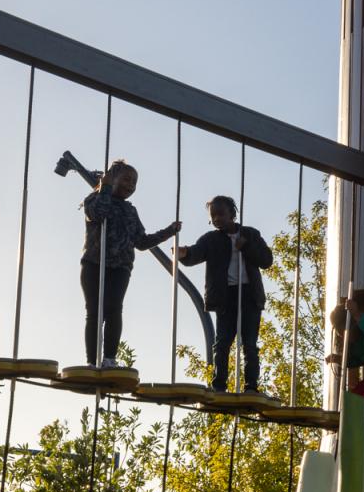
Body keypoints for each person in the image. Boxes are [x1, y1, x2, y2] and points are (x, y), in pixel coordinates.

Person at [78, 161, 181, 368]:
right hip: (94, 264)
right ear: (111, 178)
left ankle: (109, 358)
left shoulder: (130, 211)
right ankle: (92, 361)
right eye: (126, 179)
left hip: (120, 267)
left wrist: (168, 232)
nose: (131, 185)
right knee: (94, 312)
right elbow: (99, 213)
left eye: (134, 182)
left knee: (114, 309)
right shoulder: (94, 199)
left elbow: (141, 242)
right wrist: (104, 187)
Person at [175, 195, 274, 392]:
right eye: (213, 216)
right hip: (224, 295)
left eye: (221, 214)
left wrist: (245, 246)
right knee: (222, 343)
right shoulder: (211, 239)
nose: (217, 219)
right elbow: (197, 252)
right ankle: (218, 384)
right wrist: (184, 253)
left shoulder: (250, 234)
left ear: (232, 214)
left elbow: (266, 260)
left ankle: (251, 386)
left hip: (249, 294)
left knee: (250, 343)